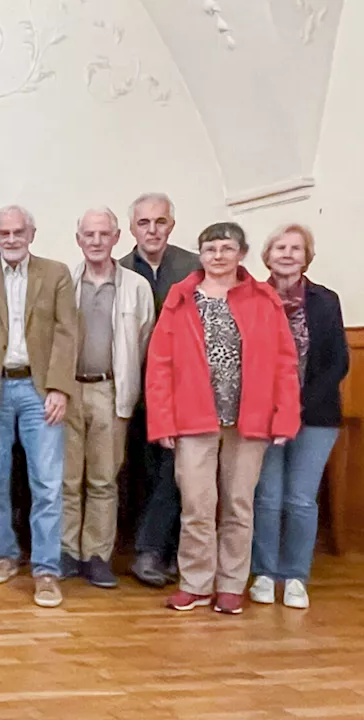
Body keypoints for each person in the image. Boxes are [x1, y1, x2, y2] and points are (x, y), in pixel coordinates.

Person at [146, 222, 300, 615]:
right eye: (210, 249)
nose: (218, 256)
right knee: (197, 504)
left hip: (249, 419)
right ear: (200, 255)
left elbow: (285, 362)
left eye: (226, 248)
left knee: (238, 503)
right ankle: (196, 583)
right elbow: (159, 365)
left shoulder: (264, 299)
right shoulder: (181, 298)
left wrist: (284, 419)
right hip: (193, 419)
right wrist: (162, 422)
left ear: (242, 253)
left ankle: (231, 585)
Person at [0, 205, 77, 608]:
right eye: (4, 233)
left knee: (46, 483)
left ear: (32, 233)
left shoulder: (56, 274)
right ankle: (5, 554)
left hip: (39, 390)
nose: (11, 240)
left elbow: (67, 333)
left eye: (18, 232)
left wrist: (59, 388)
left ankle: (46, 569)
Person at [249, 224, 348, 609]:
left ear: (307, 256)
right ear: (267, 255)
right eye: (280, 247)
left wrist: (300, 406)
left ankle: (295, 576)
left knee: (301, 499)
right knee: (268, 497)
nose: (287, 254)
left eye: (296, 248)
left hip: (315, 416)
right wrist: (275, 407)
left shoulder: (325, 301)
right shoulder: (251, 297)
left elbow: (338, 360)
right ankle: (264, 573)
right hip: (265, 415)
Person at [62, 208, 154, 588]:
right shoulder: (64, 281)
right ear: (78, 238)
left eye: (104, 234)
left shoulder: (136, 286)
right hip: (66, 390)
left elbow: (144, 338)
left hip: (110, 391)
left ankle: (97, 555)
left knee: (103, 480)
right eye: (89, 234)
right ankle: (66, 551)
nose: (96, 241)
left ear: (117, 238)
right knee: (66, 479)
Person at [120, 192, 200, 587]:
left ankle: (156, 552)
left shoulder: (194, 268)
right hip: (132, 393)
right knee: (144, 475)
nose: (152, 230)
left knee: (175, 474)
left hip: (181, 393)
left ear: (172, 223)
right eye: (144, 223)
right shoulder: (118, 269)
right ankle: (152, 552)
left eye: (160, 222)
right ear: (132, 228)